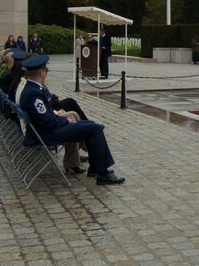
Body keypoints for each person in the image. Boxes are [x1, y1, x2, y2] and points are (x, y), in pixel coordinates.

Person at [18, 54, 125, 185]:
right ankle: (102, 173)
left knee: (90, 125)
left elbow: (45, 116)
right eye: (45, 71)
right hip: (47, 134)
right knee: (95, 129)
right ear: (41, 73)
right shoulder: (33, 93)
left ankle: (95, 167)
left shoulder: (32, 89)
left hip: (45, 130)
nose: (46, 73)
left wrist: (61, 117)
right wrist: (66, 120)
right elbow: (47, 121)